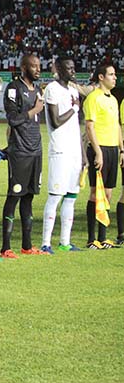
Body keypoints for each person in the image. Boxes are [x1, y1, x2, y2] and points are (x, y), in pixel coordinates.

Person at [0, 54, 49, 258]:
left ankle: (27, 246)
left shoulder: (37, 90)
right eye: (34, 66)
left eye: (39, 66)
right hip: (19, 151)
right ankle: (5, 247)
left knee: (29, 197)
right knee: (14, 197)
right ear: (24, 67)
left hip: (35, 149)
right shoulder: (14, 88)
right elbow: (12, 119)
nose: (38, 69)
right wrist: (35, 109)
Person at [40, 57, 85, 253]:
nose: (72, 71)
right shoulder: (52, 89)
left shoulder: (73, 91)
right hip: (60, 150)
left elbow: (76, 126)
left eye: (73, 67)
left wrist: (83, 154)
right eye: (68, 68)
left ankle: (65, 241)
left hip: (75, 151)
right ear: (58, 69)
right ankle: (45, 243)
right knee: (55, 196)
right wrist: (75, 108)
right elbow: (56, 120)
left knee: (71, 196)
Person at [84, 63, 122, 249]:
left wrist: (122, 150)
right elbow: (89, 126)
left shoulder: (113, 100)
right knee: (95, 193)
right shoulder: (93, 98)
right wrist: (98, 152)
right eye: (111, 74)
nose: (115, 78)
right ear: (101, 77)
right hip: (99, 149)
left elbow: (117, 127)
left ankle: (103, 236)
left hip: (113, 149)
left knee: (107, 194)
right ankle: (92, 239)